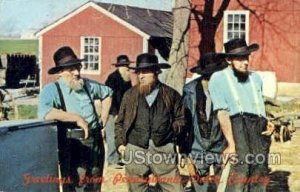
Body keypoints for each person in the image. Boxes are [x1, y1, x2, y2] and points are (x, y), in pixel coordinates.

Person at [38, 46, 113, 192]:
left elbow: (108, 93)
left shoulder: (88, 85)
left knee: (95, 185)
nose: (77, 72)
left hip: (95, 142)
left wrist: (103, 117)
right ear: (60, 72)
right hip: (73, 145)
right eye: (71, 69)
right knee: (77, 186)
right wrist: (75, 117)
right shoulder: (52, 90)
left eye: (78, 67)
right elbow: (44, 112)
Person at [208, 38, 274, 192]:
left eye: (246, 57)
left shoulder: (255, 78)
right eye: (240, 58)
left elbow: (258, 104)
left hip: (258, 132)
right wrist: (231, 144)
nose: (245, 62)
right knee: (239, 175)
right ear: (229, 59)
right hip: (237, 131)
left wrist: (268, 121)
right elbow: (222, 113)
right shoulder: (218, 79)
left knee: (259, 173)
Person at [115, 53, 186, 192]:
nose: (141, 76)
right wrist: (120, 144)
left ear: (156, 72)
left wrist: (169, 132)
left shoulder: (171, 95)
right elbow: (120, 122)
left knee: (175, 189)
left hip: (163, 149)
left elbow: (181, 119)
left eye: (146, 72)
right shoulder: (129, 95)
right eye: (139, 72)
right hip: (135, 149)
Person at [182, 52, 227, 191]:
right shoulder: (190, 91)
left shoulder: (227, 89)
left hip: (221, 146)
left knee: (225, 186)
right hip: (197, 147)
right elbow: (184, 123)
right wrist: (185, 154)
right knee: (200, 187)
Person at [105, 55, 132, 167]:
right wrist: (115, 112)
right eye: (125, 66)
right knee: (112, 136)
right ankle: (112, 160)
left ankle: (120, 158)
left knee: (122, 136)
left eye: (127, 65)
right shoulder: (112, 78)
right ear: (119, 67)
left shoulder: (127, 79)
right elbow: (110, 97)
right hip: (113, 113)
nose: (127, 68)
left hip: (124, 113)